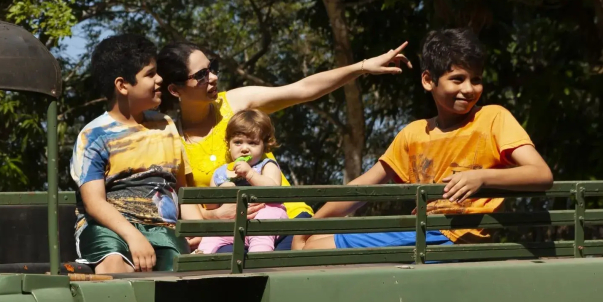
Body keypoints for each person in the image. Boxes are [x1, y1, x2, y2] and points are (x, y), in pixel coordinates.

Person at [295, 27, 553, 251]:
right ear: (429, 81)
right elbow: (364, 187)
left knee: (317, 246)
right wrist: (310, 225)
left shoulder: (494, 118)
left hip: (454, 236)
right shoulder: (414, 133)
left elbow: (541, 174)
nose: (469, 89)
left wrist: (483, 177)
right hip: (422, 232)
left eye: (476, 80)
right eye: (457, 79)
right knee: (313, 239)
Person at [156, 39, 413, 229]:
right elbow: (179, 206)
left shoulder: (235, 103)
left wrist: (363, 67)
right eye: (201, 75)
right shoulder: (168, 138)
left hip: (286, 220)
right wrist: (211, 216)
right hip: (227, 238)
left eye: (213, 68)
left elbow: (303, 89)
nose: (212, 77)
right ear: (175, 90)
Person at [71, 33, 192, 273]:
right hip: (110, 227)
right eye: (150, 74)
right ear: (122, 85)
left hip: (163, 229)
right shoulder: (94, 135)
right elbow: (94, 203)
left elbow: (181, 190)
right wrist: (133, 236)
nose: (159, 79)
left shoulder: (166, 126)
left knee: (179, 269)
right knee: (114, 266)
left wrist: (196, 232)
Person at [195, 109, 289, 255]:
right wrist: (220, 193)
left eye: (252, 143)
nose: (244, 149)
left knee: (261, 231)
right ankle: (201, 257)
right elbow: (210, 206)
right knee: (213, 235)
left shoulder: (266, 165)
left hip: (264, 217)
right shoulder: (220, 173)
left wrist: (250, 174)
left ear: (264, 145)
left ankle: (259, 259)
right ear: (229, 144)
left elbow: (274, 191)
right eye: (238, 142)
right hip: (233, 224)